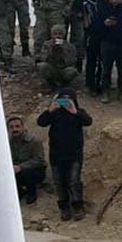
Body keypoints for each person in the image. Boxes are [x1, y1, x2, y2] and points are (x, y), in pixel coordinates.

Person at [36, 88, 92, 221]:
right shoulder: (54, 114)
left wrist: (75, 111)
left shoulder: (78, 113)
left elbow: (88, 121)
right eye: (63, 99)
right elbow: (41, 122)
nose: (65, 103)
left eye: (68, 99)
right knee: (59, 182)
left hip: (74, 155)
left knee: (74, 180)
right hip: (56, 155)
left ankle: (78, 206)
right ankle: (64, 208)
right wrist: (50, 110)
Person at [92, 0, 122, 103]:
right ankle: (105, 92)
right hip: (106, 42)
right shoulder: (102, 9)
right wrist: (104, 23)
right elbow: (95, 25)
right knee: (106, 68)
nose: (114, 0)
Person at [8, 115, 47, 205]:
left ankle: (31, 193)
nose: (15, 129)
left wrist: (21, 167)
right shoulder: (8, 142)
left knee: (28, 172)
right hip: (16, 169)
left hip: (34, 171)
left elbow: (39, 160)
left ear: (23, 127)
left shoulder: (34, 141)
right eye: (12, 127)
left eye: (17, 126)